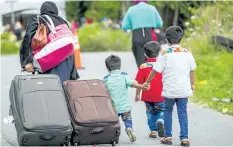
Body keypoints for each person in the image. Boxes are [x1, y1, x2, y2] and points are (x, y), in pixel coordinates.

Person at [143, 26, 196, 146]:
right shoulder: (187, 52)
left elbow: (155, 70)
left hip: (169, 91)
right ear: (181, 39)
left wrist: (147, 82)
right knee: (182, 112)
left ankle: (168, 136)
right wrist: (192, 85)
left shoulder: (165, 53)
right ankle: (185, 138)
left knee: (167, 111)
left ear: (167, 40)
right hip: (183, 90)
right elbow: (192, 70)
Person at [19, 1, 79, 83]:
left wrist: (27, 61)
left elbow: (28, 38)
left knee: (49, 90)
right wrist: (73, 72)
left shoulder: (38, 19)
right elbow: (69, 46)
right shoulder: (63, 22)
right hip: (66, 63)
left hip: (49, 62)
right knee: (64, 90)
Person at [103, 55, 144, 143]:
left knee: (114, 122)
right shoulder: (124, 76)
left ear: (107, 68)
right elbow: (132, 83)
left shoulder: (106, 79)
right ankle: (129, 128)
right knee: (127, 119)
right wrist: (141, 86)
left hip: (113, 108)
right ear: (120, 65)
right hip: (125, 106)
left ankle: (114, 135)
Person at [135, 41, 164, 139]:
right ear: (159, 53)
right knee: (160, 110)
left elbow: (139, 82)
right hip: (161, 95)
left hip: (147, 96)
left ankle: (153, 131)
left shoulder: (143, 66)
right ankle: (160, 120)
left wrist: (137, 94)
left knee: (150, 113)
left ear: (145, 54)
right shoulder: (162, 65)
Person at [121, 0, 163, 68]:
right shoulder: (152, 8)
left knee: (140, 62)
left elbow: (125, 26)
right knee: (152, 60)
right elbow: (159, 23)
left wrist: (133, 25)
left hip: (136, 36)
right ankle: (152, 76)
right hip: (150, 35)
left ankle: (142, 75)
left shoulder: (131, 9)